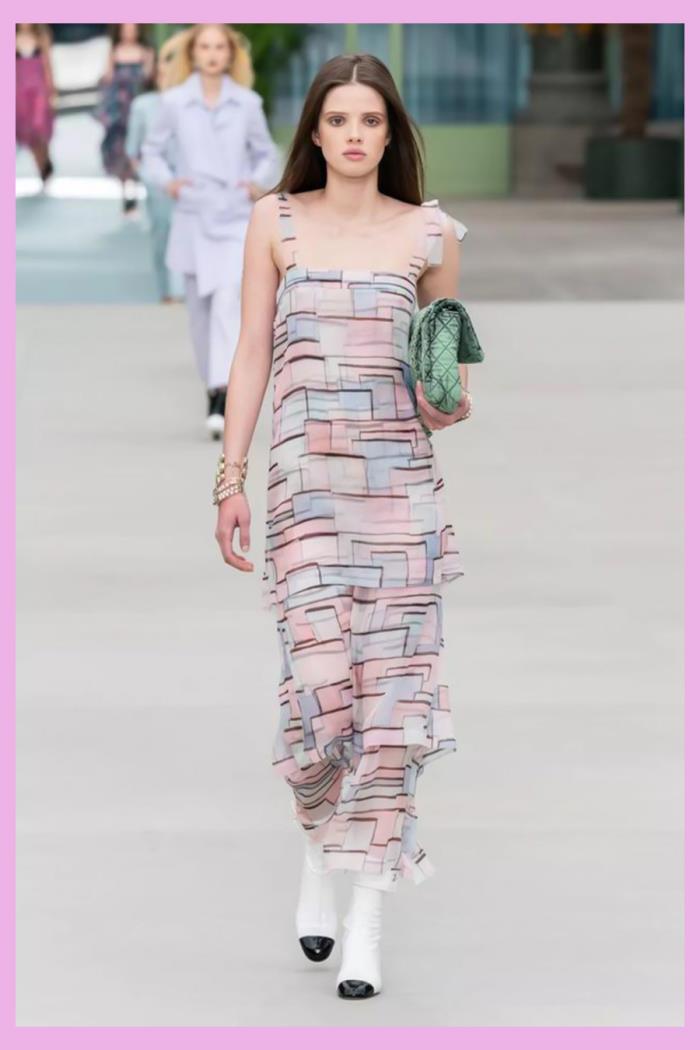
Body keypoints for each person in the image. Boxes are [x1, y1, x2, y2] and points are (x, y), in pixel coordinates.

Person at [211, 53, 473, 999]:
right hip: (305, 497)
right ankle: (320, 851)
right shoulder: (274, 222)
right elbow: (251, 351)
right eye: (338, 121)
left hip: (401, 497)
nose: (355, 136)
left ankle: (366, 922)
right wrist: (230, 477)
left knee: (392, 716)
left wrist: (447, 398)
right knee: (320, 701)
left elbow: (448, 375)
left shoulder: (431, 233)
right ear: (315, 134)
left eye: (370, 121)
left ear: (390, 134)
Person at [140, 24, 280, 439]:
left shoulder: (248, 103)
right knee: (200, 315)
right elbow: (151, 152)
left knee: (227, 300)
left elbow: (266, 152)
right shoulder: (174, 102)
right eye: (205, 46)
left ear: (231, 54)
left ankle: (222, 392)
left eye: (220, 46)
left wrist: (256, 182)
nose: (213, 53)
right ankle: (213, 382)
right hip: (192, 214)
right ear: (193, 53)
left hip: (235, 215)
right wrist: (169, 182)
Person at [125, 54, 183, 303]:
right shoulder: (143, 105)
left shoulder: (193, 105)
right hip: (157, 185)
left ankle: (186, 291)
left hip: (191, 183)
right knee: (163, 234)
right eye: (162, 73)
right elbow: (133, 150)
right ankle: (166, 292)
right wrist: (149, 177)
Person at [94, 24, 155, 215]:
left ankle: (136, 187)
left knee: (140, 147)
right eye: (126, 29)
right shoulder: (114, 51)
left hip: (138, 106)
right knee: (119, 148)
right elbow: (107, 78)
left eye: (132, 29)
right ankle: (126, 191)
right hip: (119, 109)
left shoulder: (146, 52)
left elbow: (150, 79)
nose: (129, 33)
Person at [15, 23, 55, 185]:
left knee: (40, 127)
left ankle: (45, 159)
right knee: (28, 132)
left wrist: (52, 91)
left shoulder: (41, 37)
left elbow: (47, 65)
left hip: (39, 90)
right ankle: (41, 166)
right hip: (20, 92)